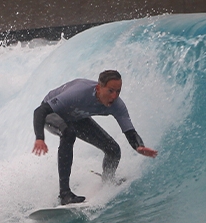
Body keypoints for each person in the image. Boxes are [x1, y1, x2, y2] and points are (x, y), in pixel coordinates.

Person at [32, 70, 158, 206]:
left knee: (113, 149)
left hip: (76, 117)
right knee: (68, 133)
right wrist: (40, 138)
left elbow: (130, 131)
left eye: (118, 91)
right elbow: (40, 111)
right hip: (51, 114)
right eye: (110, 91)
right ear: (99, 88)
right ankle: (65, 194)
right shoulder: (79, 93)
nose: (114, 96)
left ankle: (108, 182)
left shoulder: (117, 106)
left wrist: (138, 146)